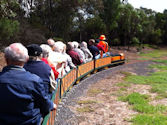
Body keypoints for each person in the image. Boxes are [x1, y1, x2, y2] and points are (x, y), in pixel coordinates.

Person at [0, 43, 56, 125]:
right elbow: (45, 105)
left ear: (6, 59)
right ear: (26, 59)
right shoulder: (34, 80)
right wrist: (52, 105)